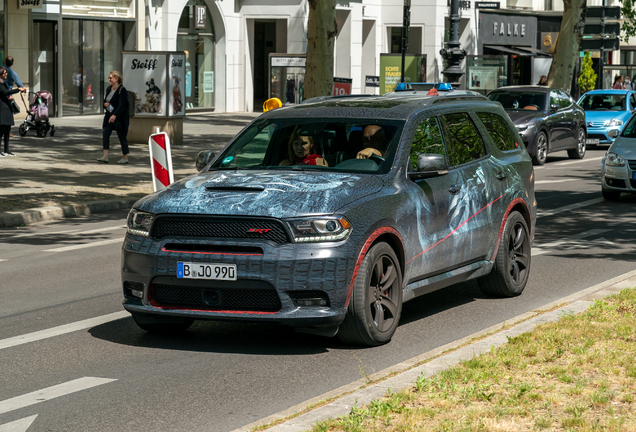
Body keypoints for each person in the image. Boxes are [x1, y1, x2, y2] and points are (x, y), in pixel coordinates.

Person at [98, 70, 130, 164]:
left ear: (116, 79)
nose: (109, 79)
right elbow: (105, 100)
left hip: (119, 117)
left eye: (111, 78)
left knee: (122, 136)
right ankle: (105, 156)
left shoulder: (122, 90)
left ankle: (125, 157)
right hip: (108, 116)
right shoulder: (109, 88)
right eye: (109, 78)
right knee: (105, 133)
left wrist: (115, 115)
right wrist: (106, 105)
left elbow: (121, 105)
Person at [0, 66, 25, 157]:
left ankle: (7, 150)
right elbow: (4, 92)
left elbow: (5, 93)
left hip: (7, 108)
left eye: (6, 73)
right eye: (4, 73)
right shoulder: (0, 84)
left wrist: (9, 98)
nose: (6, 75)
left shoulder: (4, 83)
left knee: (7, 130)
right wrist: (18, 89)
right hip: (2, 109)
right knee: (1, 131)